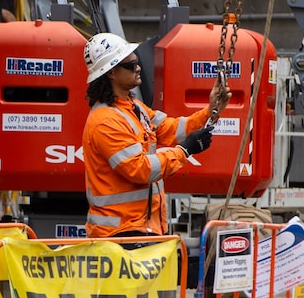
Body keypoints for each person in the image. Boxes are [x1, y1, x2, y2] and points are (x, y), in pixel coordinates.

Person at [82, 32, 231, 239]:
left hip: (139, 230)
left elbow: (172, 129)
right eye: (131, 64)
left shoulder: (135, 109)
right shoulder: (105, 121)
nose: (138, 67)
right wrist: (185, 151)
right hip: (119, 236)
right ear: (111, 73)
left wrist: (210, 111)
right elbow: (140, 169)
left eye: (137, 61)